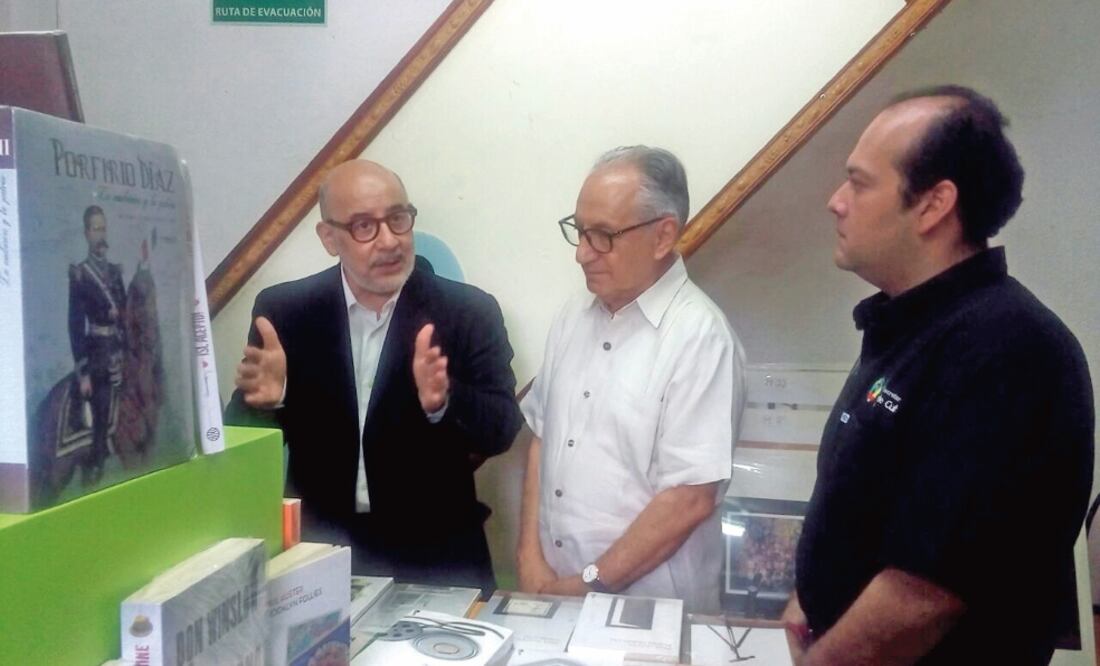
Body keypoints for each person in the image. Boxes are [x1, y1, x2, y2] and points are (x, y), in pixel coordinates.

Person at [786, 86, 1094, 665]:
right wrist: (811, 590)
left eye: (859, 182)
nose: (835, 201)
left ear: (932, 205)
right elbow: (869, 497)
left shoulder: (1006, 349)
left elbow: (923, 595)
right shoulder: (913, 327)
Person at [225, 159, 522, 594]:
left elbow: (501, 430)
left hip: (441, 557)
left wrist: (444, 401)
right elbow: (239, 447)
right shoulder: (287, 312)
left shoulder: (468, 311)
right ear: (329, 238)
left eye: (398, 219)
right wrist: (268, 404)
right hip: (322, 556)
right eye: (364, 226)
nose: (389, 241)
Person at [516, 146, 746, 612]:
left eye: (602, 235)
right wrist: (529, 555)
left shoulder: (701, 338)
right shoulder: (571, 317)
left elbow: (689, 499)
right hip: (554, 589)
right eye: (579, 231)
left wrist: (589, 584)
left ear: (663, 236)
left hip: (649, 606)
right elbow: (543, 436)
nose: (582, 254)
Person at [69, 205, 126, 486]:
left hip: (119, 346)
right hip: (98, 352)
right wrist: (83, 372)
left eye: (103, 228)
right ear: (86, 233)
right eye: (95, 229)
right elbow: (75, 324)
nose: (100, 234)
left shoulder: (116, 272)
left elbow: (126, 312)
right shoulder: (80, 275)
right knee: (101, 406)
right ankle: (97, 462)